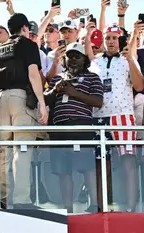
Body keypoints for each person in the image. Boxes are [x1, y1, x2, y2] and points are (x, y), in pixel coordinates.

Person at [0, 13, 47, 209]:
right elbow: (33, 74)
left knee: (4, 150)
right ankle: (22, 199)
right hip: (20, 98)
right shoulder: (28, 45)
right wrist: (41, 102)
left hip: (0, 101)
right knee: (21, 148)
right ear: (25, 28)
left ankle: (3, 198)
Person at [90, 24, 144, 212]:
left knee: (127, 161)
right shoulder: (95, 61)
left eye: (114, 38)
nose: (111, 41)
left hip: (123, 116)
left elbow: (139, 86)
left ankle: (130, 207)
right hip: (98, 116)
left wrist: (130, 59)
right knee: (100, 163)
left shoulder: (128, 59)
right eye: (108, 38)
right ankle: (102, 206)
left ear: (120, 40)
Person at [44, 43, 104, 213]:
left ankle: (94, 205)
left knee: (87, 167)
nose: (73, 60)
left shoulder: (93, 78)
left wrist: (73, 92)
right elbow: (45, 100)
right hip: (59, 129)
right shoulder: (57, 78)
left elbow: (98, 102)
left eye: (77, 56)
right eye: (69, 56)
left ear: (85, 59)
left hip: (82, 127)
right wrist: (55, 90)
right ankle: (68, 209)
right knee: (63, 170)